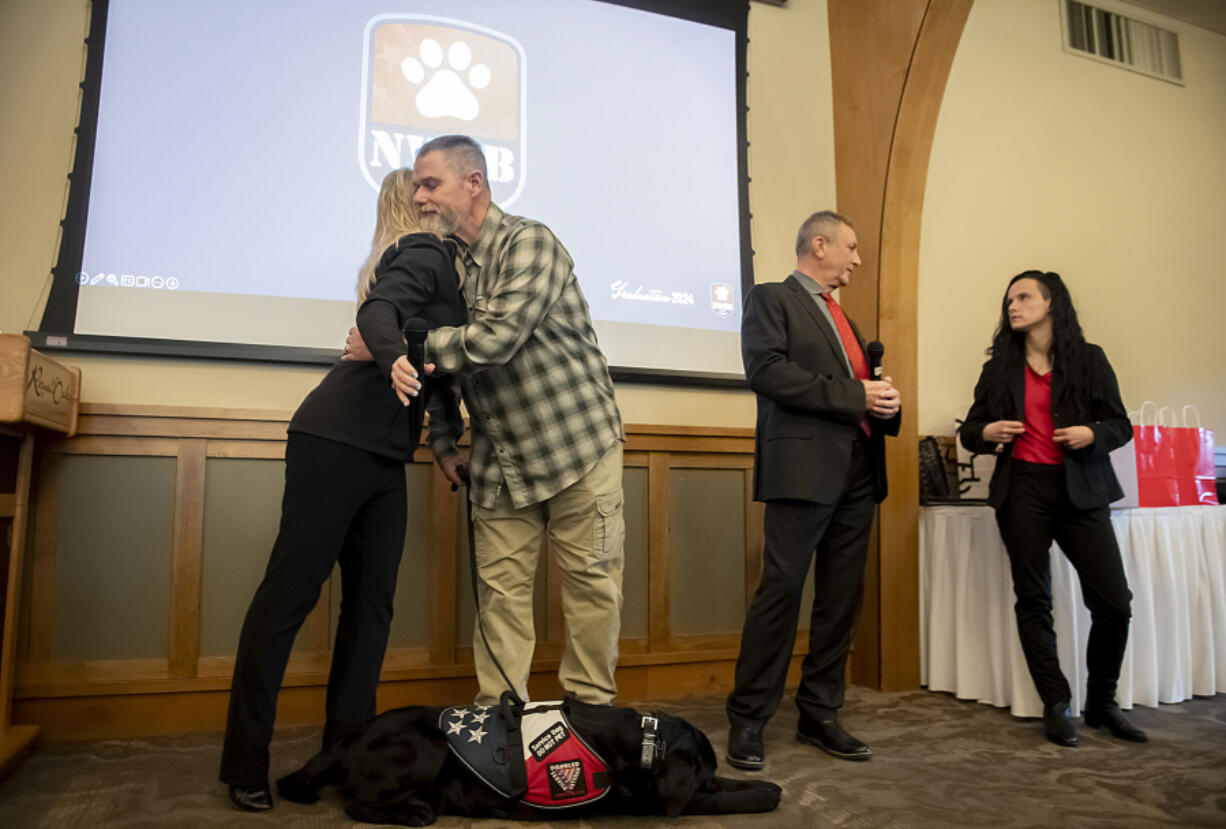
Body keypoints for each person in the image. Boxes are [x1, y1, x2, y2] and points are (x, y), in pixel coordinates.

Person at [347, 134, 626, 708]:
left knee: (591, 589)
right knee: (500, 598)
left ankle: (593, 717)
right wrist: (446, 441)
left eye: (431, 183)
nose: (418, 196)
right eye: (417, 186)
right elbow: (445, 377)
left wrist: (395, 343)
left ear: (473, 182)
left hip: (578, 447)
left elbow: (495, 339)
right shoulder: (441, 266)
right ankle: (499, 723)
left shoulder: (531, 243)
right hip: (499, 459)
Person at [219, 168, 466, 811]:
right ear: (413, 204)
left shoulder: (429, 267)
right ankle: (243, 763)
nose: (431, 199)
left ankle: (343, 757)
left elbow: (435, 372)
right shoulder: (423, 252)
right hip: (333, 442)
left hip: (385, 456)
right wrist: (391, 357)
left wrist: (444, 444)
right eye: (424, 190)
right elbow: (379, 314)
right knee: (288, 599)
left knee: (371, 610)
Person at [725, 211, 900, 771]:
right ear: (818, 244)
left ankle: (820, 714)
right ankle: (748, 718)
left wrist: (883, 401)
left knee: (840, 601)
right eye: (850, 248)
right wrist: (857, 395)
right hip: (802, 469)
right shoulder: (772, 298)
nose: (855, 259)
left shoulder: (843, 318)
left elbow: (855, 390)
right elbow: (768, 371)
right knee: (781, 592)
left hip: (858, 472)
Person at [960, 270, 1145, 747]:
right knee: (1034, 599)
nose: (1013, 306)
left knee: (1115, 605)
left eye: (1023, 297)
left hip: (1081, 488)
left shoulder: (1088, 360)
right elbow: (970, 430)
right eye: (1009, 300)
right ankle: (1055, 702)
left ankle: (1102, 703)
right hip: (1022, 489)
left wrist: (1092, 434)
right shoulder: (999, 368)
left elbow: (1121, 425)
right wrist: (987, 433)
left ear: (1051, 304)